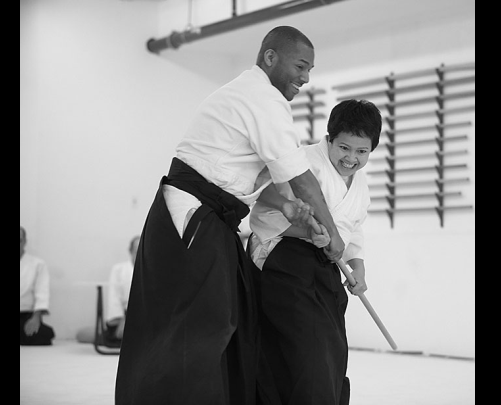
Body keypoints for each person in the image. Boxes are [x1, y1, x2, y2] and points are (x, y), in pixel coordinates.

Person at [115, 26, 345, 405]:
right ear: (270, 57)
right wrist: (335, 238)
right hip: (191, 215)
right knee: (201, 328)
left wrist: (286, 206)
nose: (306, 78)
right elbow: (302, 181)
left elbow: (250, 172)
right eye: (301, 66)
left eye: (310, 69)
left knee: (228, 324)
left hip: (212, 218)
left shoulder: (250, 94)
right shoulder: (262, 99)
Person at [248, 99, 382, 405]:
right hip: (283, 260)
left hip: (325, 266)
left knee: (332, 351)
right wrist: (305, 231)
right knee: (305, 354)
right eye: (344, 148)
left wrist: (357, 266)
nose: (351, 158)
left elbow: (353, 229)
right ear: (330, 138)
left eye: (362, 152)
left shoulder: (360, 186)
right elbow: (263, 209)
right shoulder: (301, 162)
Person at [20, 226, 55, 346]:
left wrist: (36, 318)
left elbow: (42, 292)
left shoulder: (37, 264)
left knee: (45, 334)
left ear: (25, 241)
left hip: (25, 315)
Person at [103, 235, 140, 342]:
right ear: (130, 251)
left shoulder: (154, 269)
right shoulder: (119, 270)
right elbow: (113, 298)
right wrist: (121, 319)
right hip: (123, 317)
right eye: (136, 250)